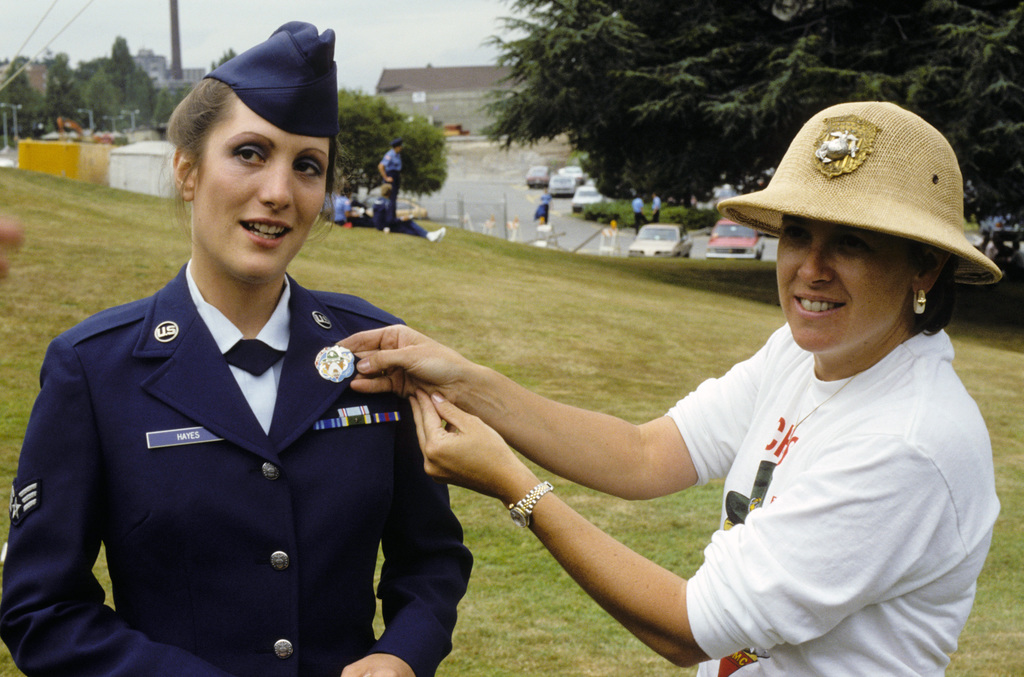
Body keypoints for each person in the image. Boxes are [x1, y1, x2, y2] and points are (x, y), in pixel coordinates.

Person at [340, 101, 1002, 675]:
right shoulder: (801, 356)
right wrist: (466, 379)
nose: (810, 269)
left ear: (926, 264)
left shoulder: (908, 441)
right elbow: (645, 453)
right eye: (797, 234)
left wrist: (518, 487)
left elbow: (686, 629)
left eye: (852, 242)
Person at [0, 22, 471, 677]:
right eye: (251, 152)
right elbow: (41, 608)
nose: (279, 190)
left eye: (307, 165)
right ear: (187, 171)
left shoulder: (376, 351)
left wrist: (402, 652)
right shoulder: (93, 369)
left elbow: (432, 557)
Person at [371, 183, 445, 242]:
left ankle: (429, 235)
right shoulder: (388, 203)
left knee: (407, 226)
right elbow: (390, 220)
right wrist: (401, 219)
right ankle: (428, 235)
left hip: (378, 225)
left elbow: (379, 216)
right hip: (385, 226)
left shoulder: (377, 201)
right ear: (390, 192)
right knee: (407, 225)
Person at [378, 137, 403, 207]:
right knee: (389, 197)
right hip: (390, 175)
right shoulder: (390, 154)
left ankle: (392, 215)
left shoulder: (397, 155)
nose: (401, 148)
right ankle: (388, 216)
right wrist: (386, 178)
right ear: (397, 147)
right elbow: (381, 166)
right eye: (400, 146)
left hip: (396, 176)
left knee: (394, 197)